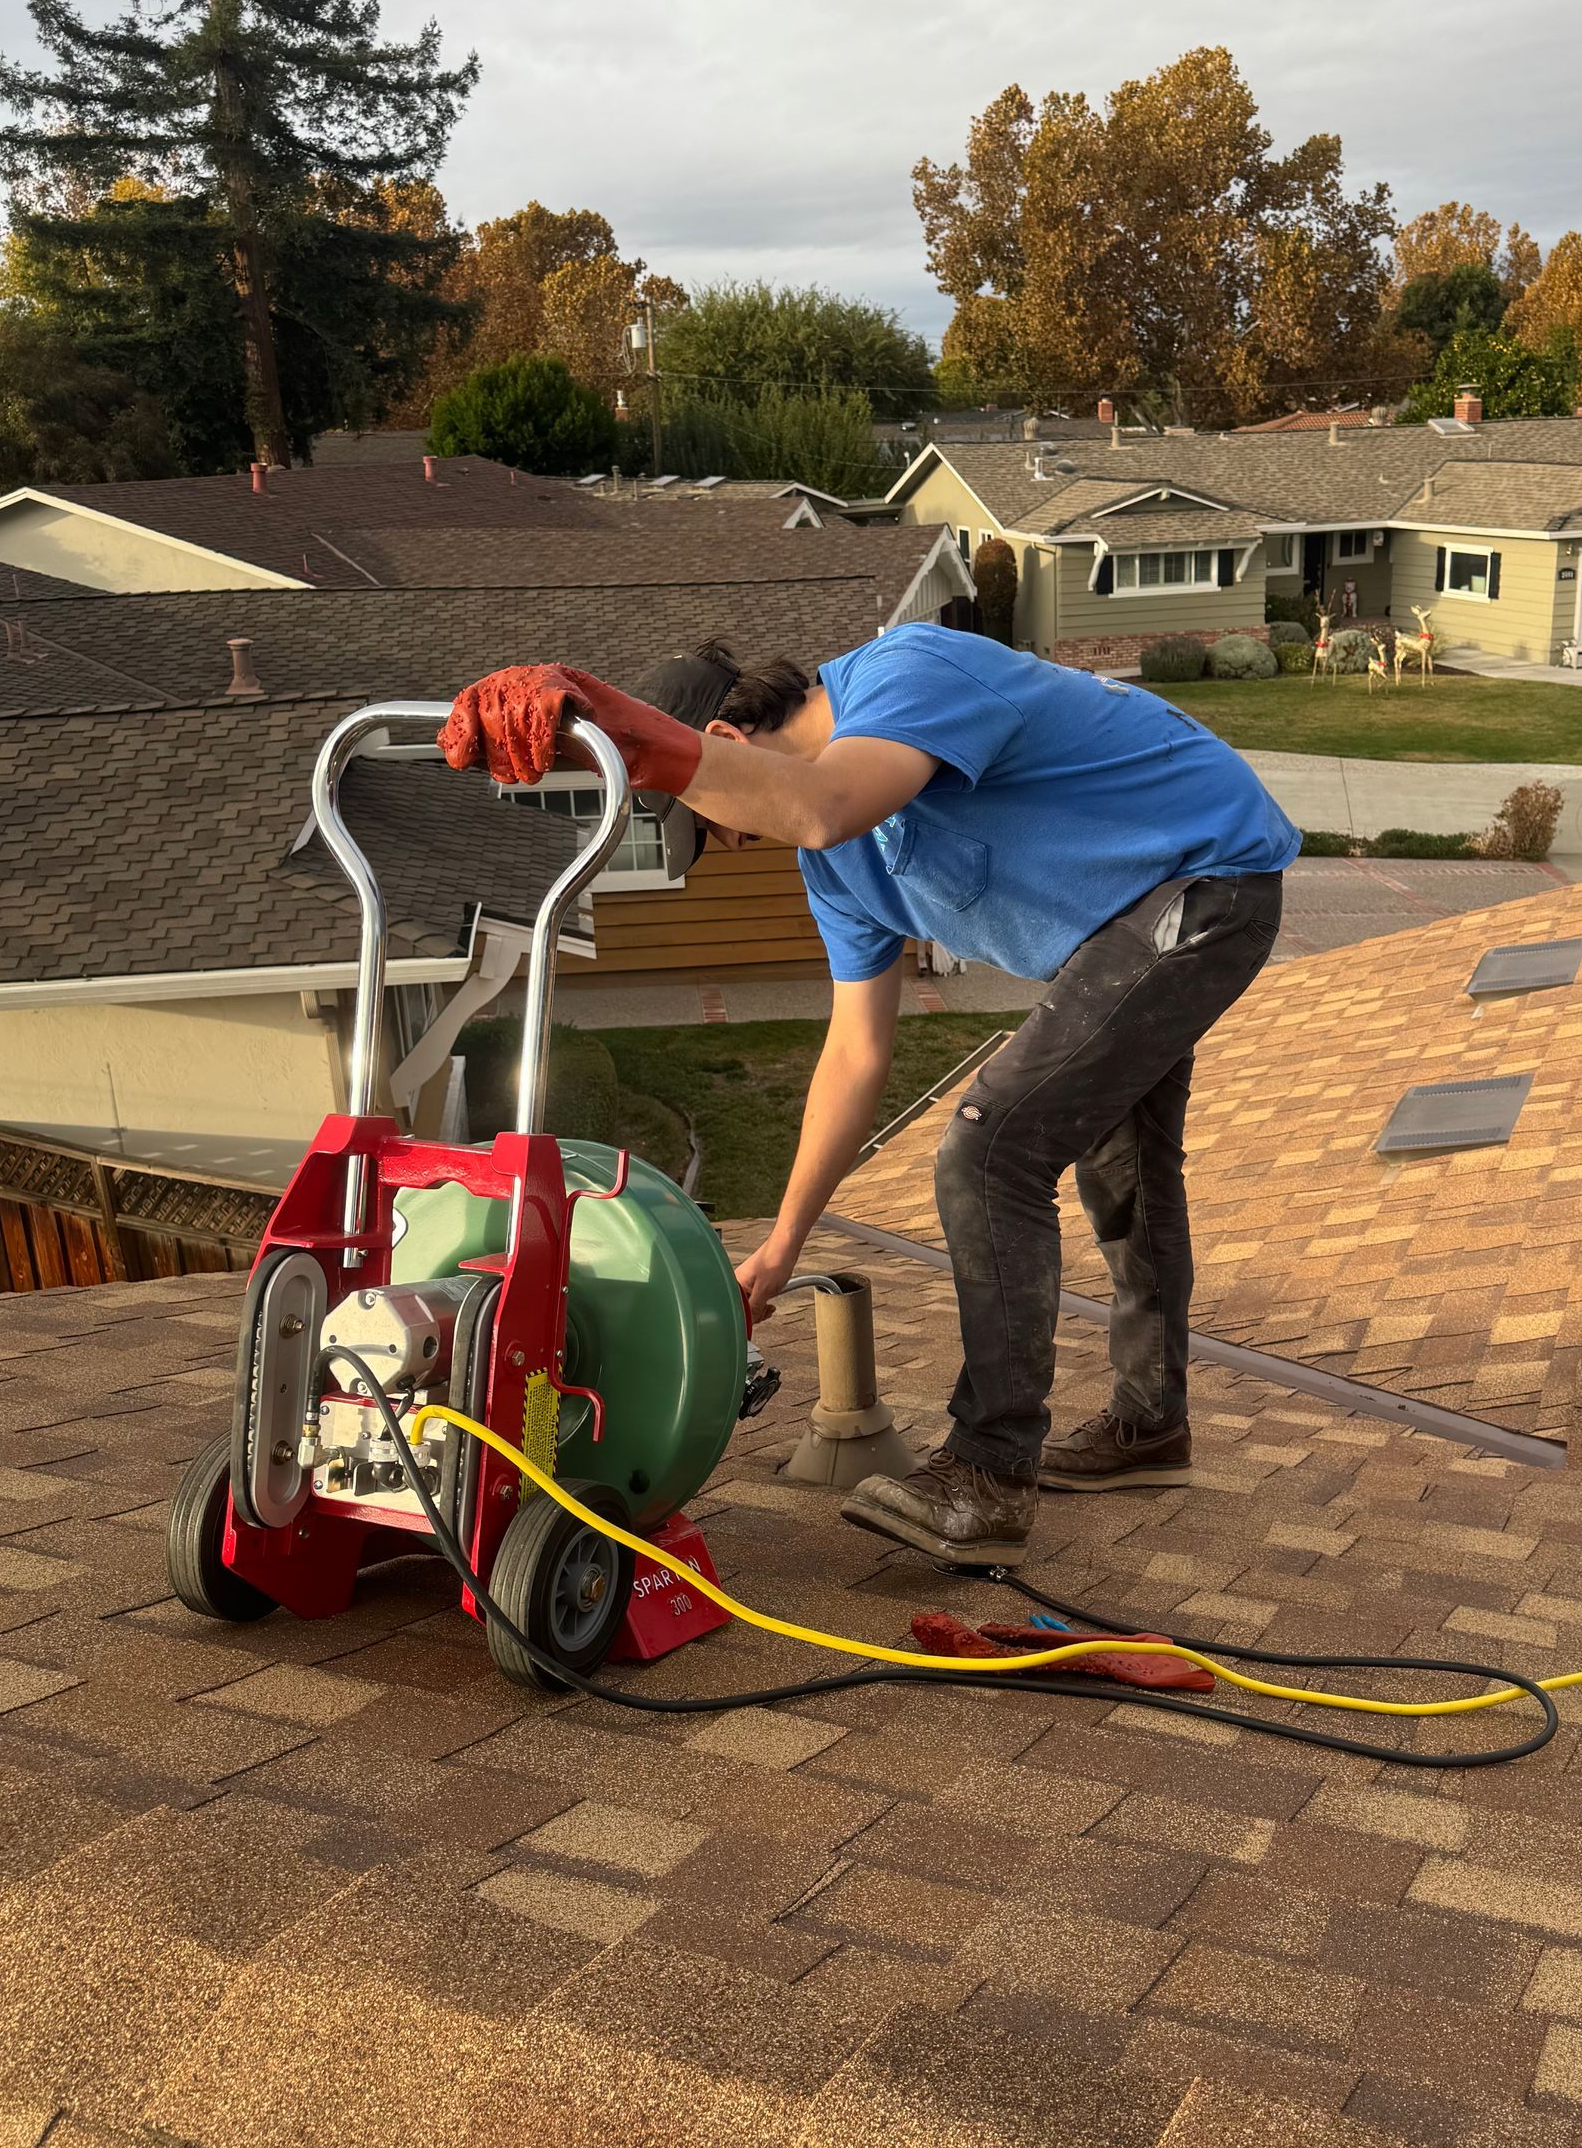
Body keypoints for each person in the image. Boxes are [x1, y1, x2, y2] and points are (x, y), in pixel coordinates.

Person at [439, 624, 1298, 1569]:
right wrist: (782, 1244)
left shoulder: (909, 673)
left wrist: (629, 733)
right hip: (1123, 934)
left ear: (727, 743)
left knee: (990, 1145)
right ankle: (1150, 1428)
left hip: (1207, 884)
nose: (737, 841)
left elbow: (822, 803)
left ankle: (988, 1471)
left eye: (721, 824)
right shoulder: (838, 871)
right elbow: (855, 1052)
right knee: (1123, 1167)